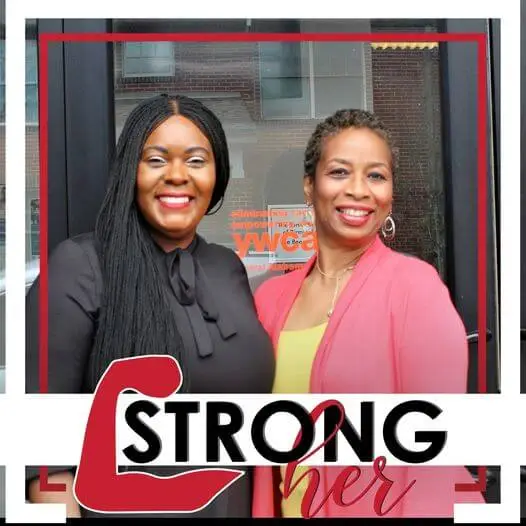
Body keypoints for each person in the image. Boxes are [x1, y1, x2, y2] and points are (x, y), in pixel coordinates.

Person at [25, 93, 275, 518]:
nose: (177, 176)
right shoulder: (82, 265)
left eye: (196, 161)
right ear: (130, 172)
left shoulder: (227, 268)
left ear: (218, 175)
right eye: (156, 160)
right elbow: (44, 462)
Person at [252, 109, 484, 518]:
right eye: (340, 172)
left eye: (376, 175)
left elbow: (434, 451)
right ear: (310, 186)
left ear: (389, 193)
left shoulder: (416, 289)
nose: (359, 189)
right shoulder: (270, 299)